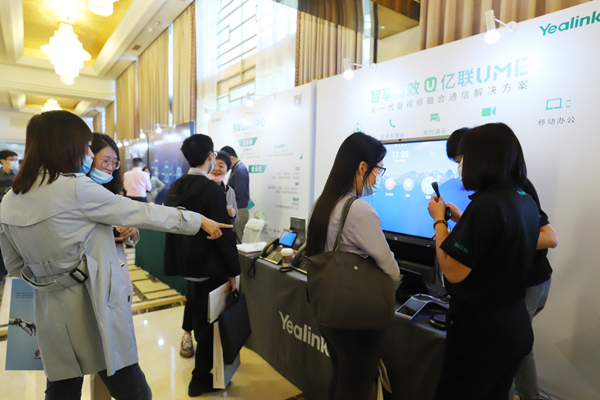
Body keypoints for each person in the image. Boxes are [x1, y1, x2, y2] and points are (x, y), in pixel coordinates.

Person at [0, 110, 231, 400]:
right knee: (132, 389)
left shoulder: (10, 199)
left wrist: (54, 273)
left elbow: (14, 264)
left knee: (62, 388)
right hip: (93, 305)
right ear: (65, 145)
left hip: (48, 312)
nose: (89, 154)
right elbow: (144, 212)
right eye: (86, 147)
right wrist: (198, 220)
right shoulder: (76, 188)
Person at [428, 123, 540, 400]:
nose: (461, 165)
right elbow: (495, 245)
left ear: (482, 158)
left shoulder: (485, 205)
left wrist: (439, 221)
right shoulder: (523, 198)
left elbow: (452, 270)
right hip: (514, 322)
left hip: (481, 333)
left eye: (464, 158)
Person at [305, 132, 400, 400]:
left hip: (329, 309)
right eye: (378, 169)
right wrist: (397, 280)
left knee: (340, 376)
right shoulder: (359, 210)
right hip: (356, 316)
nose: (377, 177)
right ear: (362, 167)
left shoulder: (321, 204)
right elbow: (388, 263)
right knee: (356, 385)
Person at [164, 134, 241, 397]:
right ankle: (200, 379)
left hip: (188, 266)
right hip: (210, 267)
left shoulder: (176, 186)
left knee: (199, 318)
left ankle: (202, 372)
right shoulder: (210, 189)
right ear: (210, 157)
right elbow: (224, 233)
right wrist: (234, 271)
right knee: (208, 325)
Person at [178, 150, 240, 359]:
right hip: (198, 254)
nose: (218, 168)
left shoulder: (228, 191)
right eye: (216, 164)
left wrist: (232, 214)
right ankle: (187, 335)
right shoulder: (199, 187)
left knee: (211, 305)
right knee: (193, 297)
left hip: (218, 256)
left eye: (223, 166)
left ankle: (210, 349)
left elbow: (234, 222)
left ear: (228, 170)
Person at [221, 146, 249, 244]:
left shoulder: (239, 170)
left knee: (236, 242)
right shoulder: (236, 168)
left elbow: (238, 193)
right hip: (236, 210)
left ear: (231, 158)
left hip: (239, 211)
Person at [0, 150, 19, 281]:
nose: (15, 162)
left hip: (14, 216)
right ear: (2, 161)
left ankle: (12, 271)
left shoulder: (19, 176)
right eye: (12, 159)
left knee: (12, 244)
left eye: (16, 159)